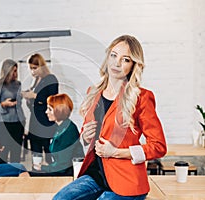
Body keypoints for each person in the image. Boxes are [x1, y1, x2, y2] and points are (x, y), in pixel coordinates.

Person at [53, 35, 167, 200]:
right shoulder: (93, 93)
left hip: (127, 180)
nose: (117, 63)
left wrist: (117, 152)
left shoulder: (142, 97)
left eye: (125, 59)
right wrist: (85, 136)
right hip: (96, 174)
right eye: (113, 55)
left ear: (133, 65)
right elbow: (88, 135)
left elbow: (159, 146)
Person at [32, 93, 84, 176]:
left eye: (49, 109)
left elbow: (62, 166)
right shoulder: (61, 127)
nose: (46, 112)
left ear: (59, 110)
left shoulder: (67, 131)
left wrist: (43, 168)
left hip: (68, 173)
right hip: (62, 170)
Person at [21, 53, 59, 164]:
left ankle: (53, 175)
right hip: (35, 122)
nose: (33, 71)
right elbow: (34, 104)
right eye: (31, 68)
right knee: (35, 152)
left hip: (46, 121)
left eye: (35, 68)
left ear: (41, 66)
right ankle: (36, 172)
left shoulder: (50, 78)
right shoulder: (36, 80)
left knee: (49, 153)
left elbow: (53, 98)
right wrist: (28, 98)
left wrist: (35, 96)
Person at [0, 59, 26, 163]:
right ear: (7, 71)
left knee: (16, 154)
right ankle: (3, 177)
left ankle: (15, 177)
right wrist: (3, 104)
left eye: (16, 70)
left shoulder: (18, 84)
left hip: (18, 122)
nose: (15, 74)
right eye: (13, 71)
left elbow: (19, 104)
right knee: (3, 154)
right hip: (4, 123)